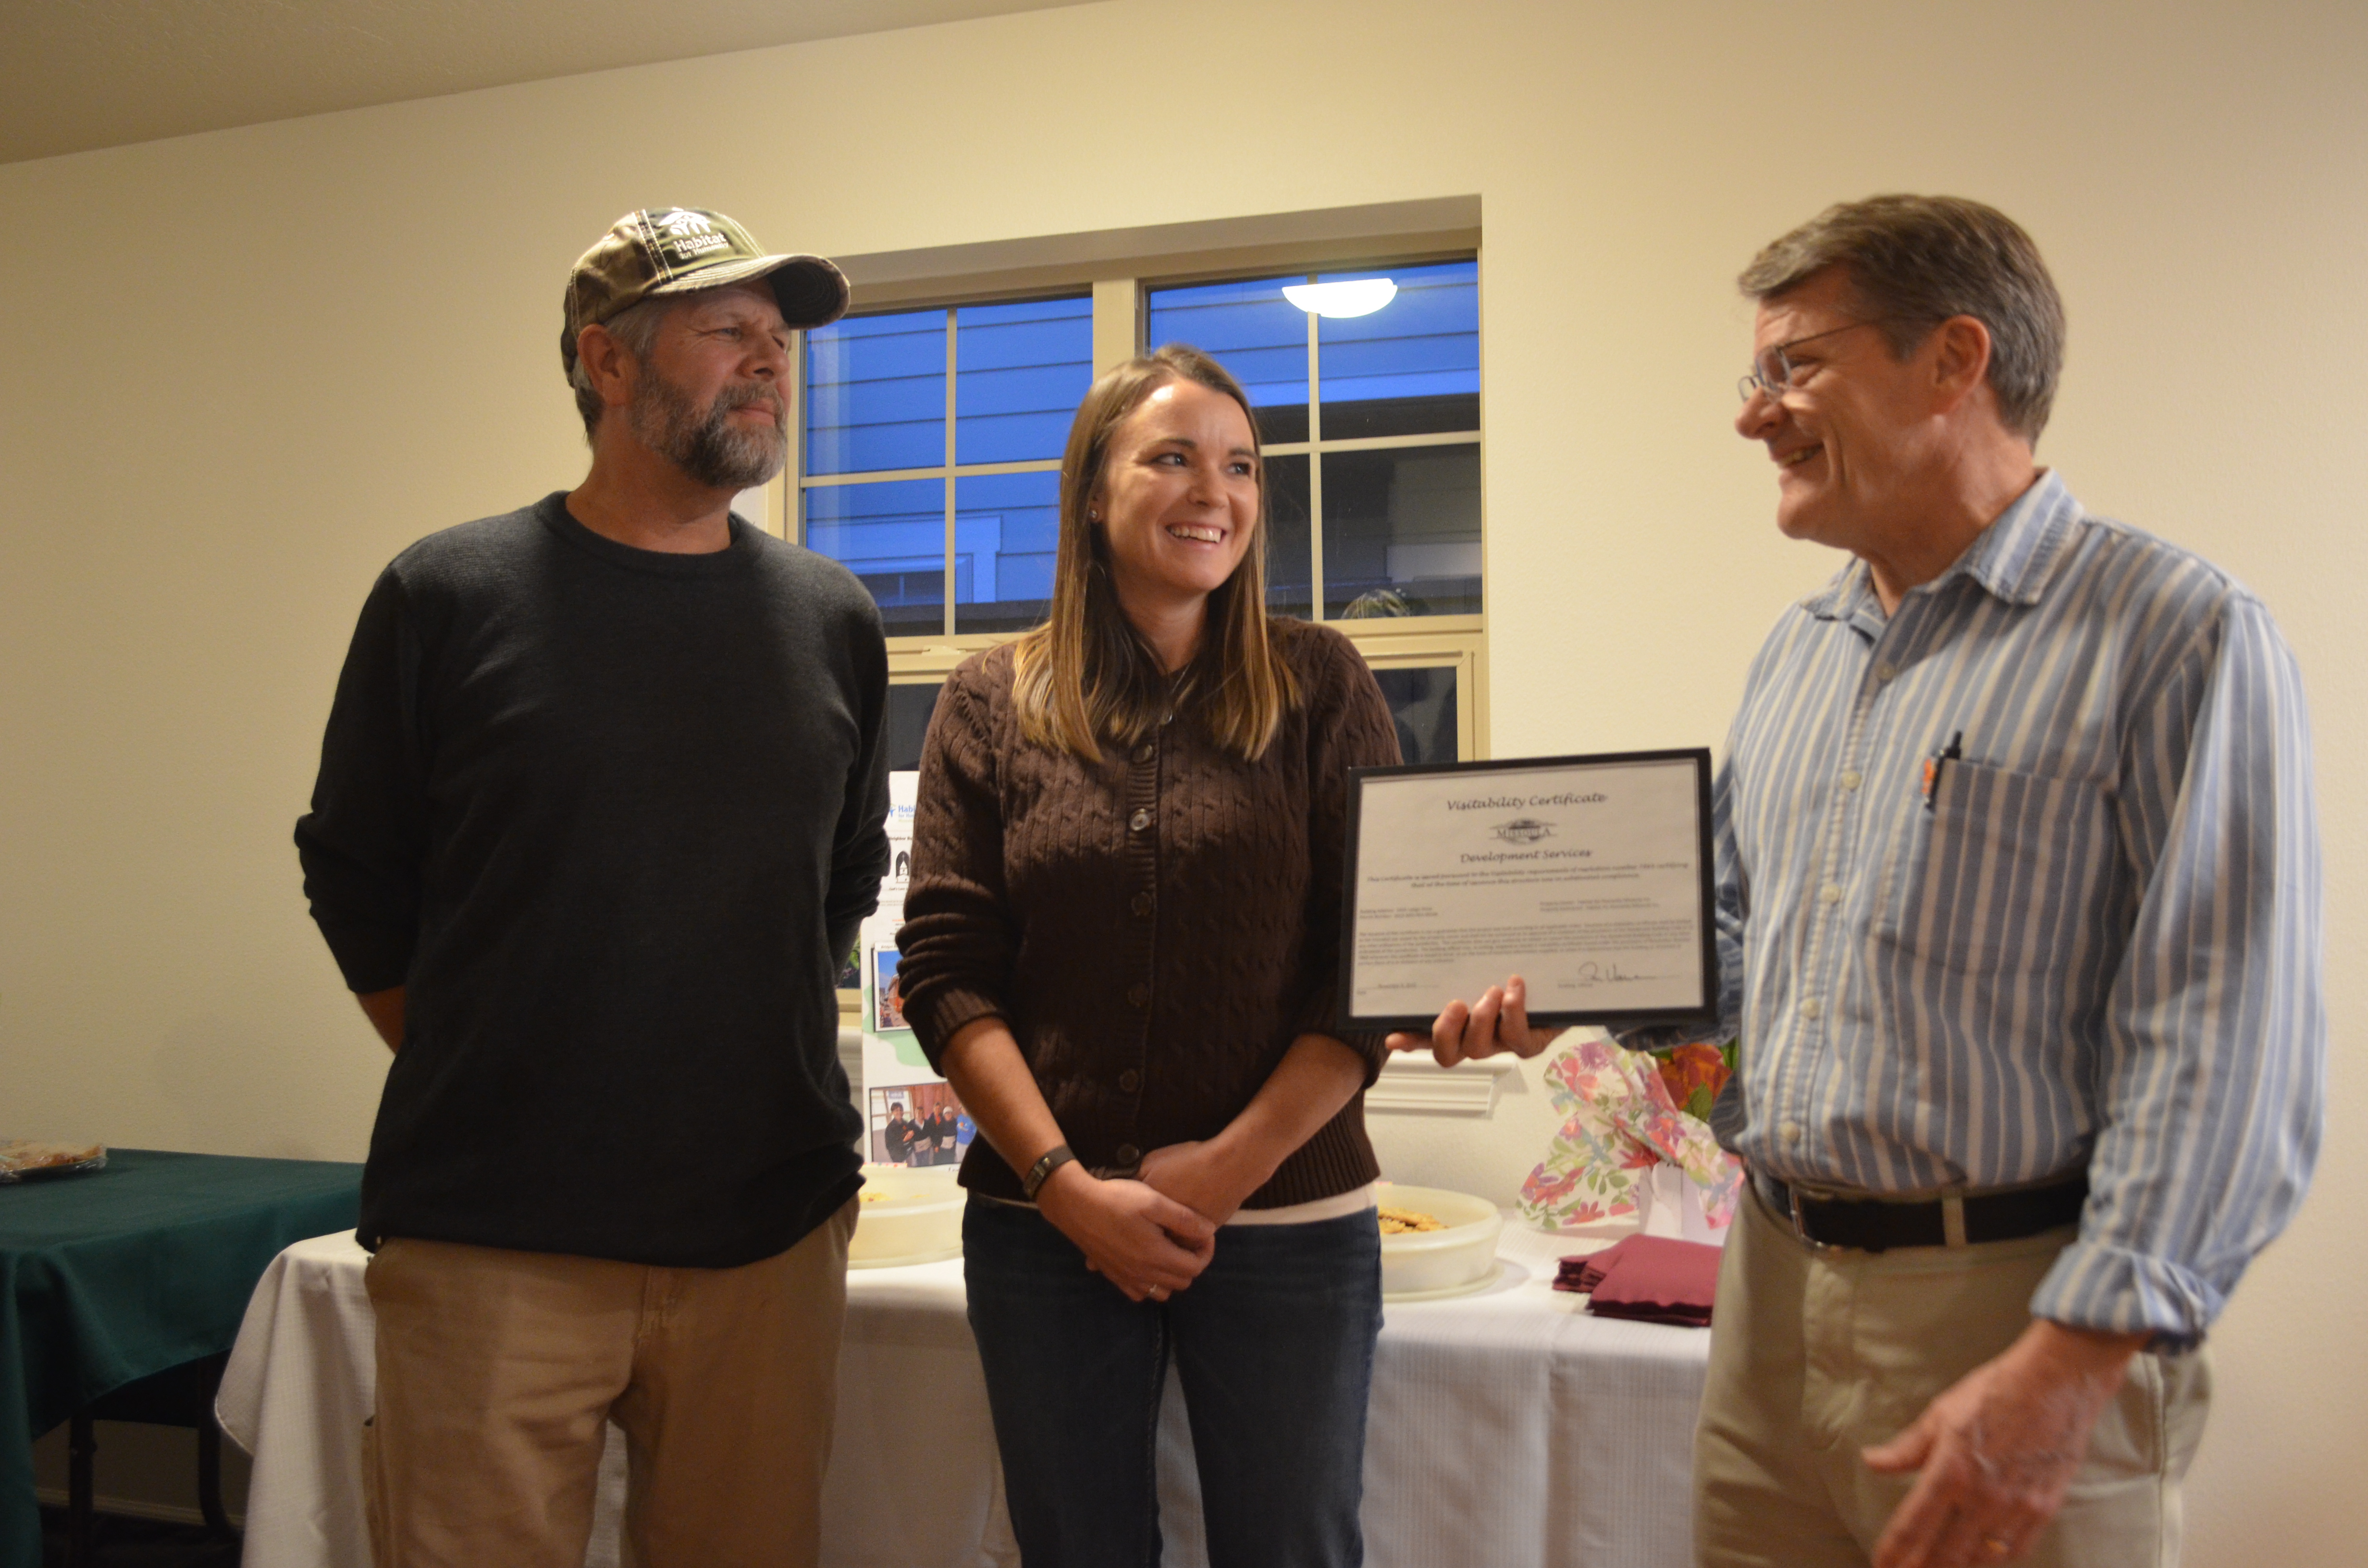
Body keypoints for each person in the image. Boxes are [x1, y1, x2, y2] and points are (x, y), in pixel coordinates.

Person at [1432, 194, 2326, 1568]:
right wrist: (1588, 989)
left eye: (1795, 367)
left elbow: (2226, 1043)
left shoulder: (2178, 634)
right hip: (1773, 1296)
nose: (1755, 415)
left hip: (2020, 1309)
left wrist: (2073, 1362)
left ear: (1956, 361)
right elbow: (1738, 953)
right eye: (1757, 375)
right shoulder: (1802, 651)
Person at [295, 207, 889, 1568]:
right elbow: (354, 867)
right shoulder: (448, 594)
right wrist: (492, 1054)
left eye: (779, 342)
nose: (768, 365)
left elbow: (840, 882)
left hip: (767, 1243)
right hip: (494, 1244)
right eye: (726, 333)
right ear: (606, 367)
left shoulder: (833, 619)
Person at [895, 344, 1402, 1567]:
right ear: (1092, 491)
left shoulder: (1321, 684)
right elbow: (949, 967)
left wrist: (1227, 1169)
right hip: (1042, 1225)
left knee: (1291, 1546)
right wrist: (1068, 1187)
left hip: (1288, 1217)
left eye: (1238, 466)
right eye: (1170, 457)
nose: (1212, 491)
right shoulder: (987, 701)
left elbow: (1379, 962)